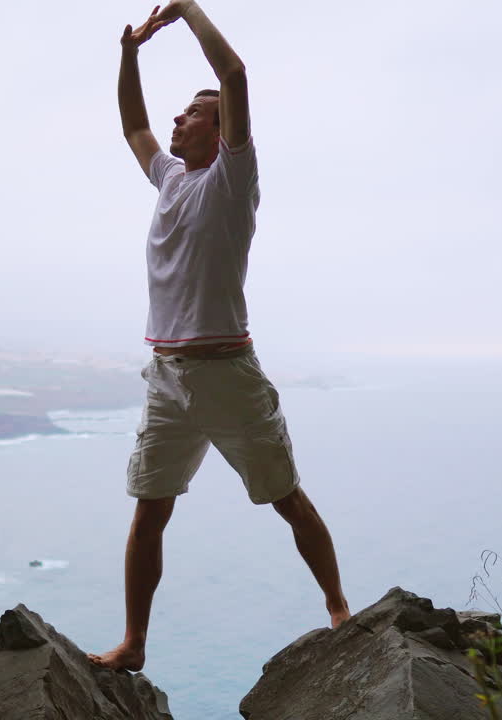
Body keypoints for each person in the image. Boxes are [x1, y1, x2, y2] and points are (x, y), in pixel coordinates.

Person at [87, 1, 351, 673]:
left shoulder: (233, 180)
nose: (178, 120)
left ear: (219, 128)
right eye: (181, 112)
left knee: (286, 497)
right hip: (168, 376)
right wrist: (129, 54)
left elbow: (233, 73)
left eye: (193, 113)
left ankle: (340, 610)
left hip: (229, 372)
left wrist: (184, 11)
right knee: (149, 513)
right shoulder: (169, 178)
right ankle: (135, 645)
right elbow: (134, 125)